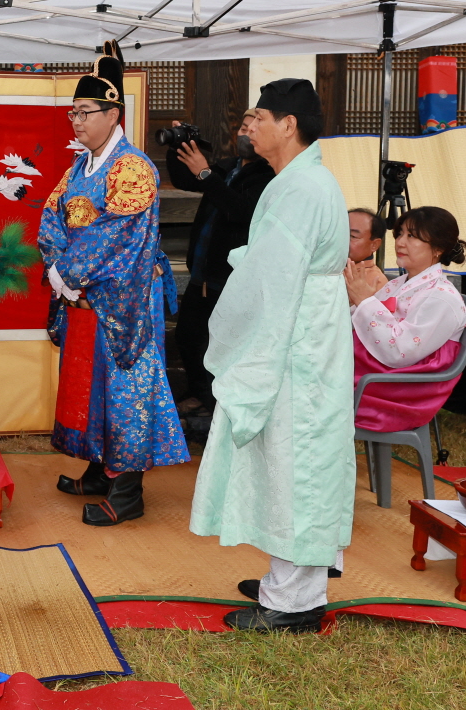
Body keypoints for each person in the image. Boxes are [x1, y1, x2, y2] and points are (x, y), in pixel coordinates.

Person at [189, 78, 353, 634]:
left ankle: (294, 602)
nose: (248, 126)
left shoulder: (303, 186)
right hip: (304, 325)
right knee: (291, 454)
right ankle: (288, 579)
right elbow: (269, 264)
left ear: (289, 124)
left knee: (297, 458)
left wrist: (241, 336)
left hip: (297, 334)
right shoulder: (297, 180)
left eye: (258, 117)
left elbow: (275, 276)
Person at [39, 49, 189, 527]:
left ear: (113, 114)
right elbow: (51, 215)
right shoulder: (79, 166)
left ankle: (127, 491)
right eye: (73, 113)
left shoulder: (134, 167)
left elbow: (115, 233)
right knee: (90, 386)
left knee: (126, 391)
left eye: (85, 113)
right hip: (83, 293)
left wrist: (69, 273)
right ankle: (98, 470)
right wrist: (58, 269)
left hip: (124, 300)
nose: (76, 121)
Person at [165, 112, 275, 416]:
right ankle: (199, 394)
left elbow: (239, 211)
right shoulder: (228, 166)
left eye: (253, 127)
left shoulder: (269, 175)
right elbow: (185, 179)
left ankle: (215, 403)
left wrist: (205, 174)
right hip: (201, 272)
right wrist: (178, 147)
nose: (246, 133)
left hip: (231, 278)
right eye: (243, 127)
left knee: (222, 343)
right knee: (188, 336)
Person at [343, 206, 466, 433]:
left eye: (412, 236)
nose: (400, 242)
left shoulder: (442, 298)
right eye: (400, 234)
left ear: (438, 248)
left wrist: (364, 301)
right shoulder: (397, 284)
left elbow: (400, 351)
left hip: (399, 392)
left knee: (307, 389)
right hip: (377, 376)